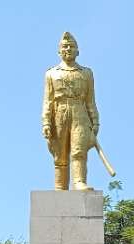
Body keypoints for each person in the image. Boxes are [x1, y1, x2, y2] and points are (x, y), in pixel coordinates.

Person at [42, 32, 100, 191]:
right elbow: (48, 100)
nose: (68, 49)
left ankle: (79, 181)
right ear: (59, 51)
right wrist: (46, 122)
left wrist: (95, 121)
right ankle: (60, 186)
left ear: (78, 51)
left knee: (78, 150)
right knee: (59, 153)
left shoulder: (86, 73)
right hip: (59, 113)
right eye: (64, 46)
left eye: (71, 46)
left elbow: (90, 100)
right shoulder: (51, 73)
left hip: (79, 113)